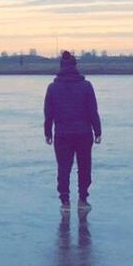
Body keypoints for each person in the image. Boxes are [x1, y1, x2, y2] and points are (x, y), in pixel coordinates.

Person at [44, 51, 102, 210]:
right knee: (84, 166)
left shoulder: (52, 88)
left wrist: (48, 132)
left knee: (63, 167)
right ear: (75, 66)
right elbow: (92, 111)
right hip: (84, 133)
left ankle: (65, 201)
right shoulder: (86, 86)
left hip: (62, 134)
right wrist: (98, 131)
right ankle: (82, 199)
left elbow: (48, 113)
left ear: (61, 66)